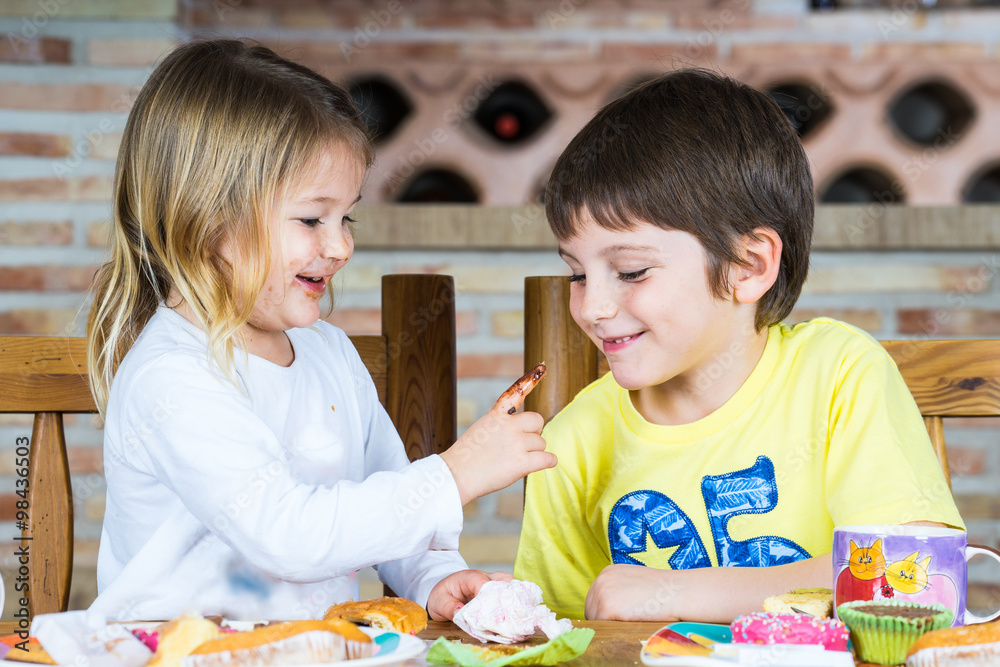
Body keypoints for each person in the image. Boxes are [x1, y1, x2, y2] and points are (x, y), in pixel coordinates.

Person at [85, 38, 554, 622]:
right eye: (312, 219)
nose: (341, 246)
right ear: (206, 220)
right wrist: (457, 473)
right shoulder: (171, 377)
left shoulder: (329, 353)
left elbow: (389, 496)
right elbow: (288, 535)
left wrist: (432, 577)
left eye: (346, 216)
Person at [513, 69, 963, 623]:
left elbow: (920, 580)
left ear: (747, 267)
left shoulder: (837, 374)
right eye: (578, 275)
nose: (592, 308)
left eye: (631, 271)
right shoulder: (571, 443)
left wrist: (678, 594)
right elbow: (558, 643)